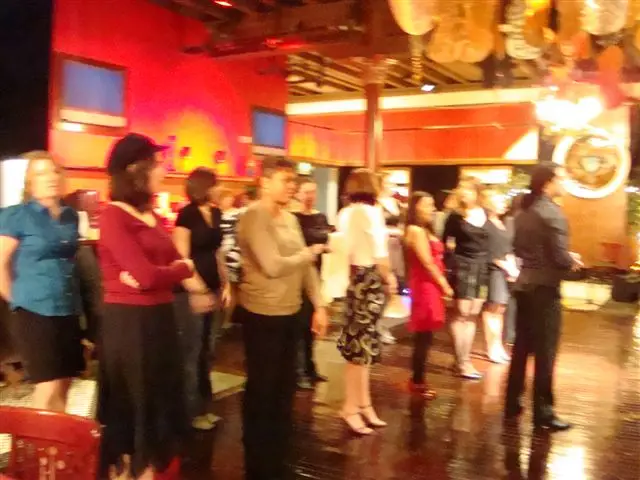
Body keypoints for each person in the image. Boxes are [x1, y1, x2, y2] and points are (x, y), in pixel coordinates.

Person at [97, 133, 195, 479]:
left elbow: (172, 265)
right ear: (134, 170)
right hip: (130, 324)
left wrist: (175, 270)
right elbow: (149, 274)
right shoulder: (113, 215)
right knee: (133, 409)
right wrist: (175, 270)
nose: (163, 171)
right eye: (156, 164)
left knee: (158, 405)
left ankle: (148, 469)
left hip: (159, 318)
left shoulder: (149, 215)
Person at [235, 156, 328, 480]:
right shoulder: (254, 217)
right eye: (286, 180)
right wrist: (309, 253)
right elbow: (272, 265)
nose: (292, 187)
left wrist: (319, 304)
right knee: (263, 388)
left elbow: (304, 270)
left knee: (284, 388)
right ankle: (257, 460)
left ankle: (277, 455)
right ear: (265, 182)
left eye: (293, 181)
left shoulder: (289, 218)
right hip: (263, 314)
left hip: (291, 311)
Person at [0, 151, 84, 411]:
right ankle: (32, 437)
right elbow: (0, 263)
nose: (49, 178)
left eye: (54, 171)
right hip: (34, 310)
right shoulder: (17, 215)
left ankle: (57, 435)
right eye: (41, 173)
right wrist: (16, 301)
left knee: (66, 381)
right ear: (30, 182)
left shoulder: (70, 216)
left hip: (67, 307)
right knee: (47, 385)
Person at [505, 162, 582, 431]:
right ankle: (543, 412)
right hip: (545, 290)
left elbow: (518, 247)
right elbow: (560, 258)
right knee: (546, 353)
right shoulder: (553, 214)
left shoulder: (523, 211)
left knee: (521, 349)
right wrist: (572, 261)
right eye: (562, 178)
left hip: (524, 286)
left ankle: (512, 402)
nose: (565, 182)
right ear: (548, 182)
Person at [336, 168, 396, 435]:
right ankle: (351, 406)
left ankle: (363, 403)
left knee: (359, 346)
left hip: (353, 280)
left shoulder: (345, 213)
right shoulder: (371, 213)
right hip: (369, 279)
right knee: (361, 348)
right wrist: (390, 279)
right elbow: (380, 254)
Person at [173, 168, 230, 431]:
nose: (220, 189)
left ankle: (205, 406)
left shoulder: (216, 214)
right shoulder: (187, 214)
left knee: (208, 351)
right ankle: (190, 411)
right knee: (191, 352)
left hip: (213, 287)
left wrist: (226, 284)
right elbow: (181, 257)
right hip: (191, 291)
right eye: (216, 184)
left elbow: (218, 253)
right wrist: (197, 289)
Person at [404, 192, 453, 400]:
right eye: (428, 205)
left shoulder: (425, 229)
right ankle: (417, 381)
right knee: (423, 334)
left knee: (426, 334)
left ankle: (419, 379)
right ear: (416, 207)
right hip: (425, 285)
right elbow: (427, 262)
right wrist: (444, 284)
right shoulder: (415, 230)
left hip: (429, 284)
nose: (432, 209)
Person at [442, 180, 489, 379]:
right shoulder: (455, 216)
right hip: (462, 265)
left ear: (477, 192)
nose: (465, 194)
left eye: (469, 190)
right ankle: (462, 361)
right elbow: (445, 242)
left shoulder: (485, 213)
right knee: (461, 313)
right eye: (462, 190)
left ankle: (463, 359)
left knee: (473, 314)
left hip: (482, 267)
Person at [293, 178, 330, 389]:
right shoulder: (293, 218)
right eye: (306, 192)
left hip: (316, 273)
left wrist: (323, 247)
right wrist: (311, 249)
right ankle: (299, 371)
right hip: (299, 276)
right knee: (300, 323)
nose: (310, 196)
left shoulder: (320, 216)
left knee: (312, 323)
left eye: (313, 192)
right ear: (298, 193)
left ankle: (310, 367)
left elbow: (326, 239)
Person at [480, 189, 519, 364]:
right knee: (493, 308)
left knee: (501, 309)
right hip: (494, 270)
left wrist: (512, 267)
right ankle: (491, 347)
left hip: (505, 269)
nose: (504, 204)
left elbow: (508, 248)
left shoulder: (503, 223)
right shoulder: (487, 226)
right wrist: (507, 267)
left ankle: (498, 346)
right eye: (500, 201)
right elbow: (490, 253)